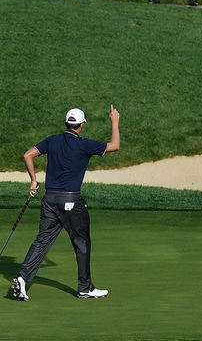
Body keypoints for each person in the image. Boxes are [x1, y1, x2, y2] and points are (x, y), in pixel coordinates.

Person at [11, 105, 120, 301]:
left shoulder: (52, 140)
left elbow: (28, 155)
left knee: (42, 241)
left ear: (66, 124)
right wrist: (114, 122)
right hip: (71, 201)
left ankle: (22, 278)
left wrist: (33, 180)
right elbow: (115, 145)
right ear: (81, 126)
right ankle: (85, 288)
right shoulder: (85, 144)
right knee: (82, 243)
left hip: (50, 200)